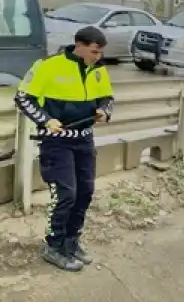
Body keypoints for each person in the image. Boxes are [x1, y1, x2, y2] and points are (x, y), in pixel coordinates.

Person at [13, 26, 114, 272]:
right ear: (78, 45)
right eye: (94, 52)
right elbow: (23, 97)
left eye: (100, 53)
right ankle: (54, 245)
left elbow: (108, 99)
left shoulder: (98, 70)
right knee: (65, 194)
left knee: (85, 192)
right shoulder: (48, 66)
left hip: (84, 141)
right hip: (56, 142)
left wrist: (104, 111)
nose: (97, 57)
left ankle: (71, 242)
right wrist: (46, 120)